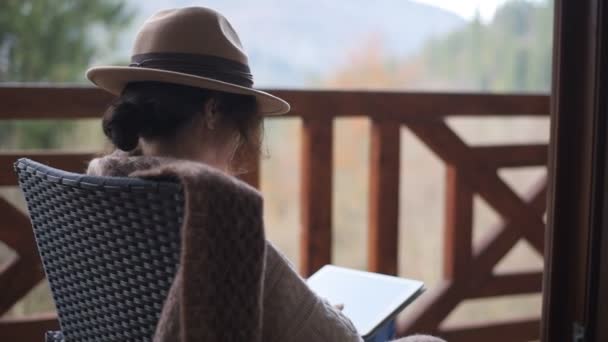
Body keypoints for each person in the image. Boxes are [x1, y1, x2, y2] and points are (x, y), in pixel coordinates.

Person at [86, 6, 445, 342]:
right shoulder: (214, 214)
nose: (236, 145)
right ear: (213, 112)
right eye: (241, 125)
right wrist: (320, 312)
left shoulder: (100, 190)